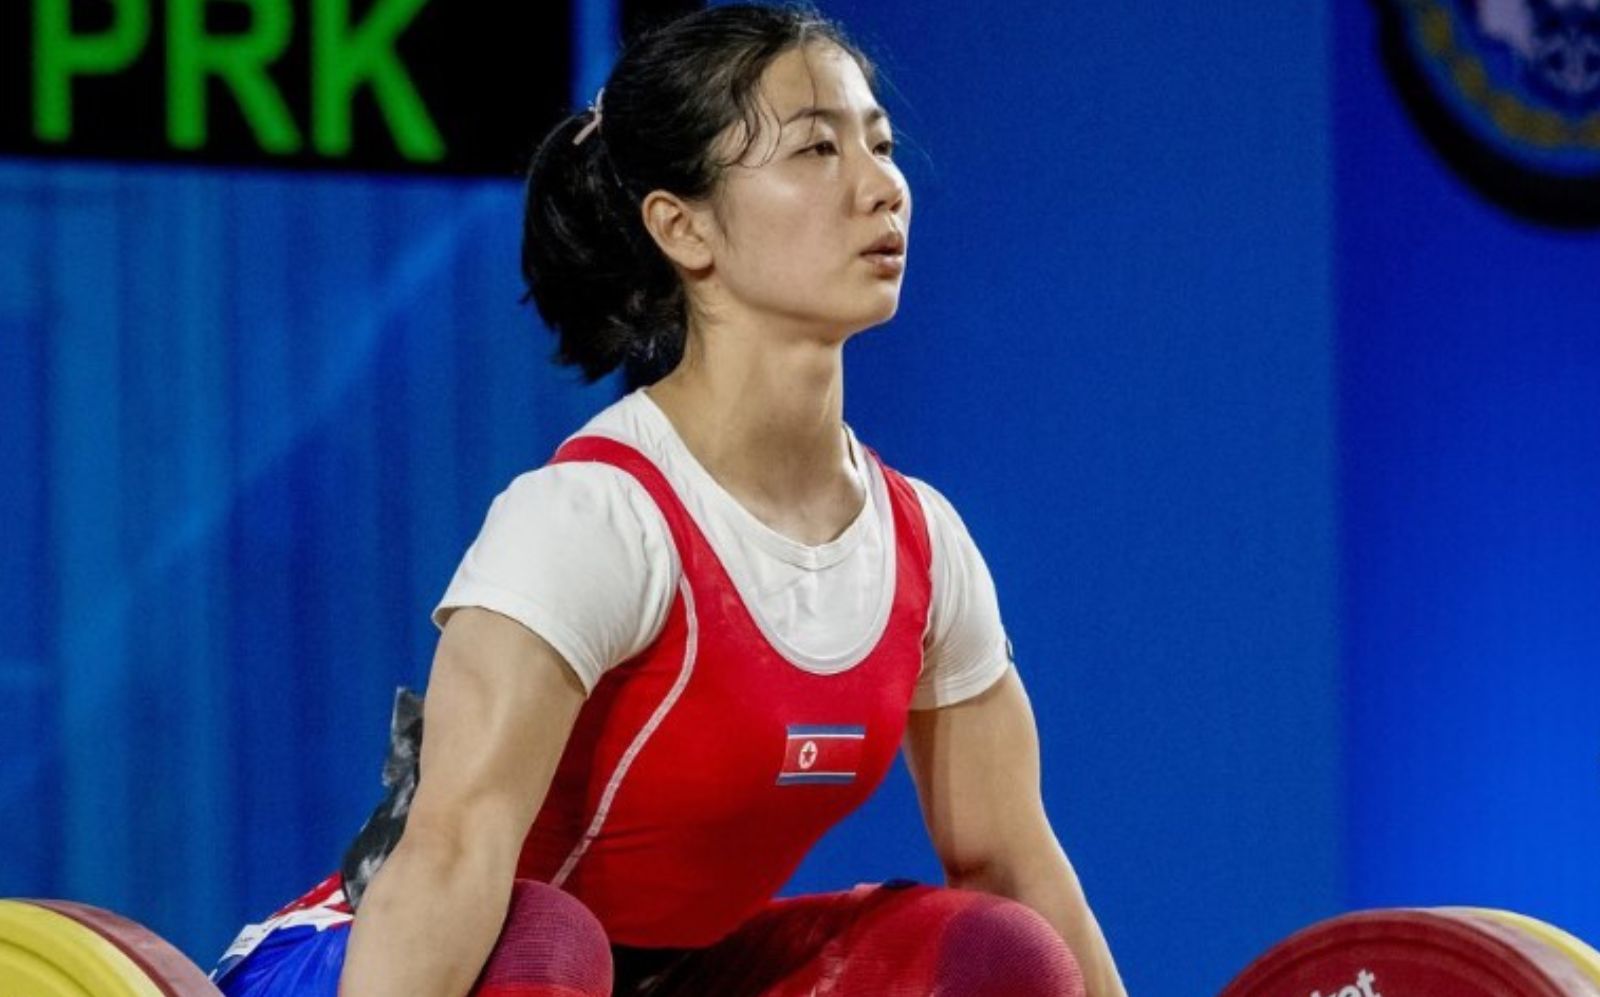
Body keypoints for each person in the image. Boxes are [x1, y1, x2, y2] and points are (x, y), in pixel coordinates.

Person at [209, 5, 1126, 996]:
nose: (881, 187)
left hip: (658, 976)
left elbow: (1012, 862)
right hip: (386, 960)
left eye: (881, 143)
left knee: (998, 950)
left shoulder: (922, 546)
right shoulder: (590, 518)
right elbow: (449, 857)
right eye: (816, 148)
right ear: (680, 226)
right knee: (546, 945)